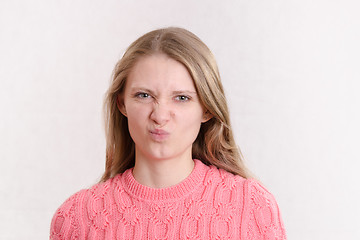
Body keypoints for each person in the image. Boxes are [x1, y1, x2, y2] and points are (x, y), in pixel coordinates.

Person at [50, 27, 286, 239]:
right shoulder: (75, 218)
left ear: (206, 109)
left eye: (181, 98)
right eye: (144, 95)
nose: (160, 116)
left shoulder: (252, 206)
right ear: (122, 104)